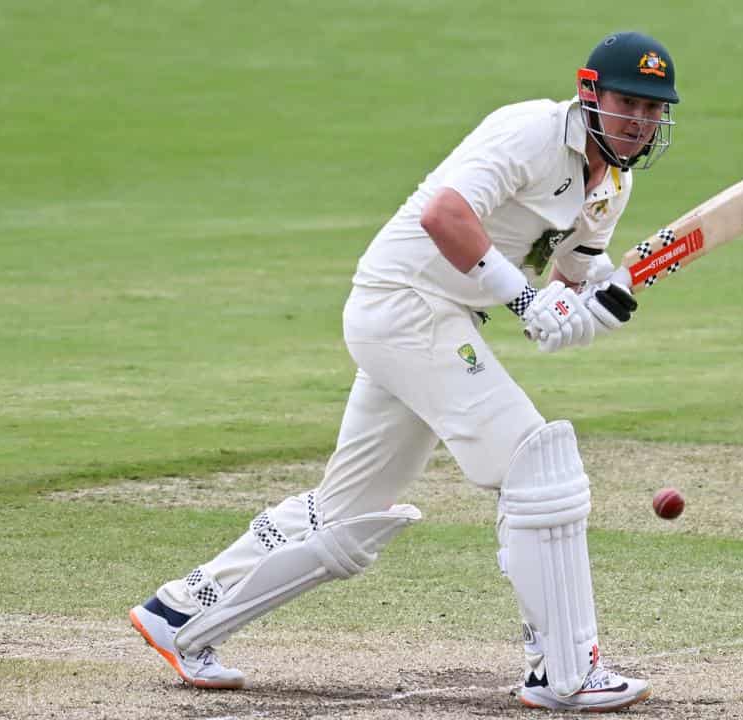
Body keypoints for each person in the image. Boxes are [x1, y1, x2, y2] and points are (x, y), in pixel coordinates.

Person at [129, 30, 680, 712]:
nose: (641, 121)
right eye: (629, 102)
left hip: (438, 322)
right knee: (540, 465)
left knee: (347, 515)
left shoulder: (612, 186)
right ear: (589, 91)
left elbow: (568, 276)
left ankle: (182, 611)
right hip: (406, 306)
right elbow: (443, 214)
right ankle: (564, 671)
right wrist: (527, 300)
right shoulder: (530, 132)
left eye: (655, 109)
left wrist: (596, 302)